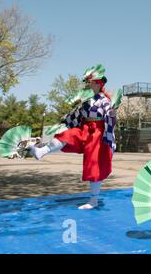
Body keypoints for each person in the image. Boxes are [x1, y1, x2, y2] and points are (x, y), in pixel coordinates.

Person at [28, 64, 117, 210]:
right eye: (87, 82)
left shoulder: (104, 101)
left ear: (97, 83)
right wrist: (66, 118)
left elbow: (110, 118)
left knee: (94, 165)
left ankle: (94, 200)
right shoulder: (87, 100)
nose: (87, 84)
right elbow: (76, 115)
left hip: (98, 134)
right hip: (85, 130)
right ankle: (41, 151)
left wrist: (111, 125)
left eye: (90, 82)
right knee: (68, 135)